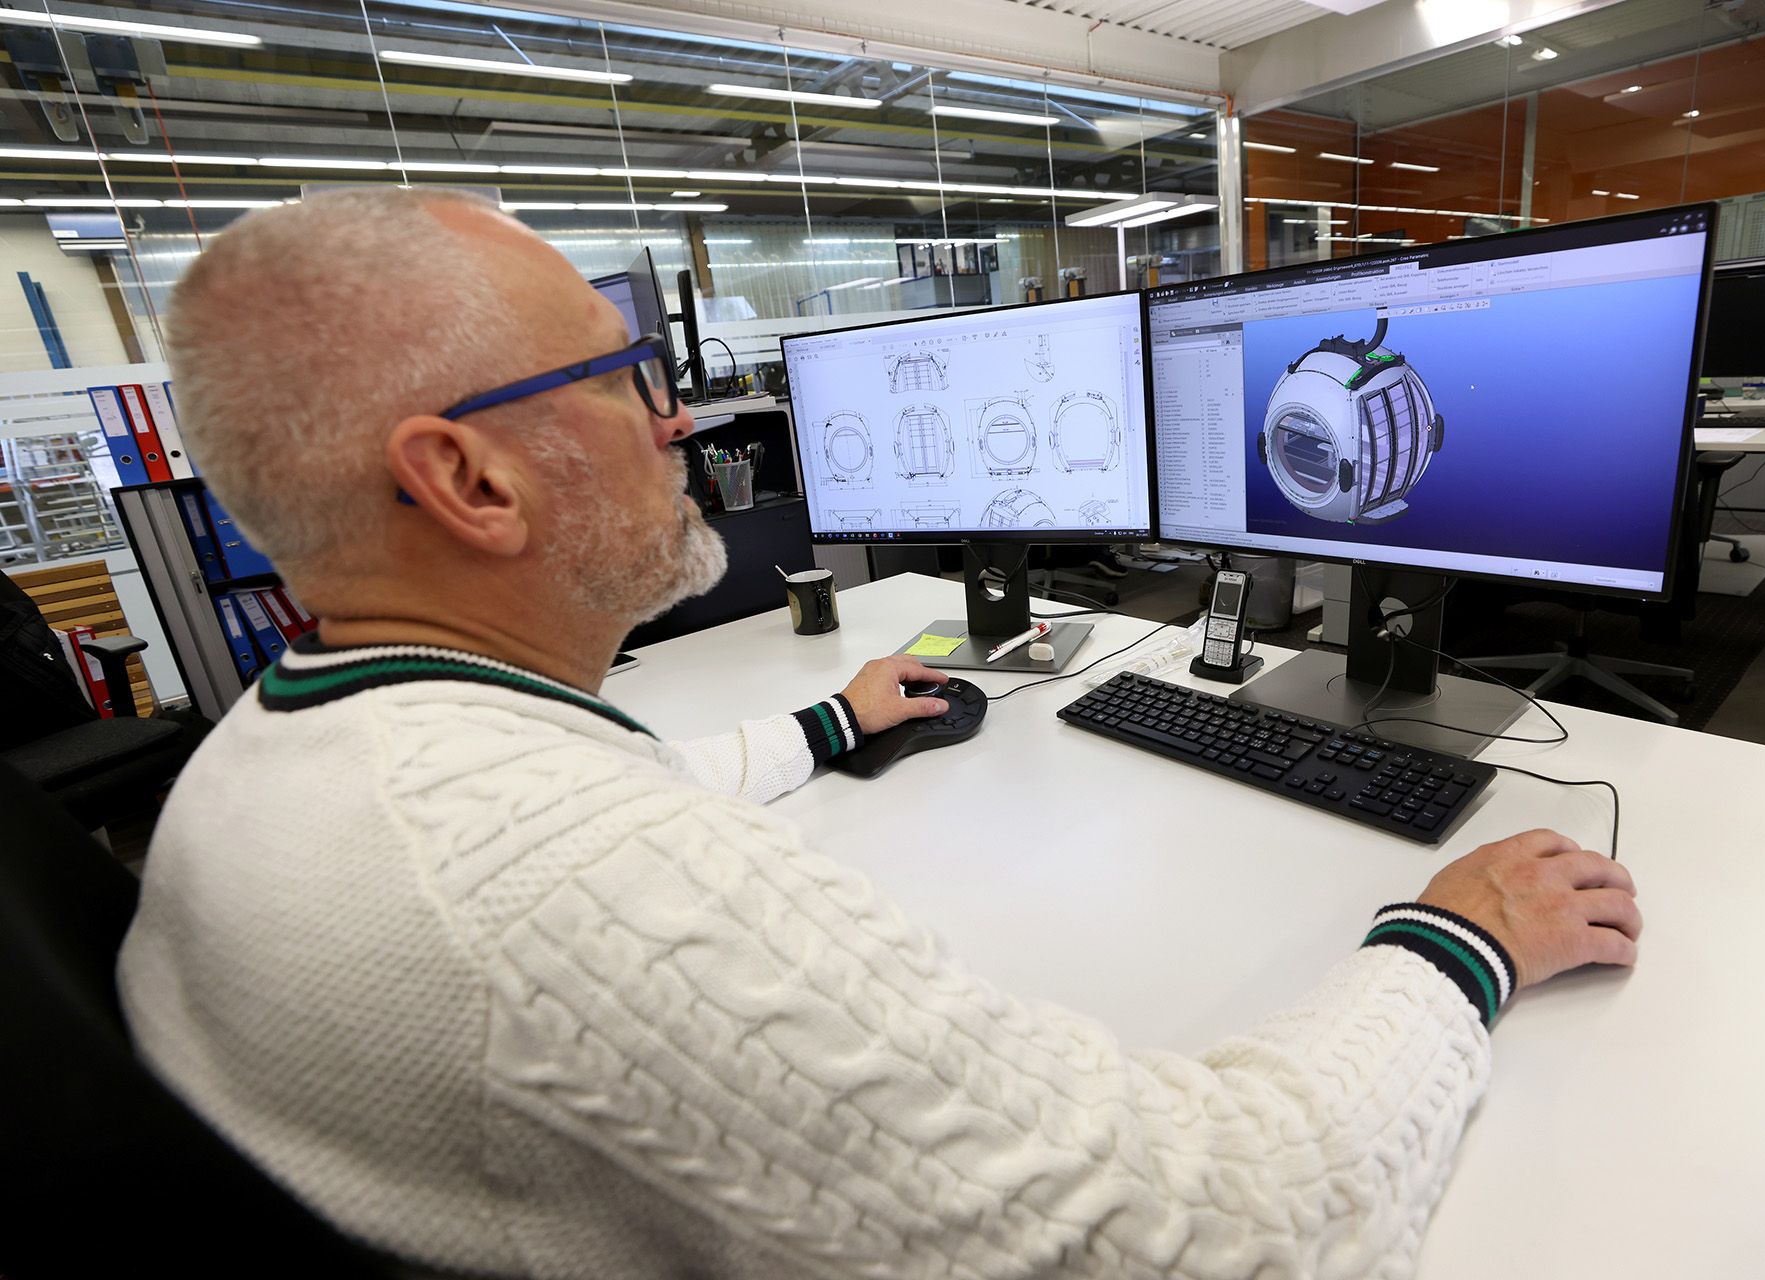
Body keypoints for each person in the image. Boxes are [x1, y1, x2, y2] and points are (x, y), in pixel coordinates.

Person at [119, 188, 1642, 1280]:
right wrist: (1459, 943)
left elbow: (601, 801)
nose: (677, 426)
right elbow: (1224, 1230)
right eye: (621, 379)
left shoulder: (277, 754)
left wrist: (819, 729)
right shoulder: (571, 885)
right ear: (470, 482)